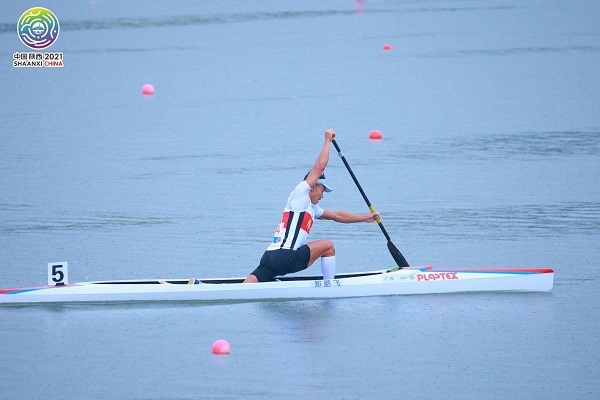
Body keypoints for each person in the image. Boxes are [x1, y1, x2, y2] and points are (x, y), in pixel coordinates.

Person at [243, 129, 380, 283]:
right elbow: (319, 168)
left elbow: (336, 216)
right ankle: (330, 287)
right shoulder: (300, 194)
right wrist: (328, 140)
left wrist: (365, 217)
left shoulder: (309, 208)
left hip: (269, 256)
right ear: (313, 187)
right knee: (328, 246)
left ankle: (230, 292)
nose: (322, 195)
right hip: (286, 256)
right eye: (322, 191)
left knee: (247, 286)